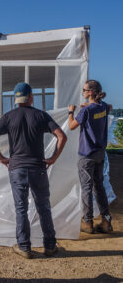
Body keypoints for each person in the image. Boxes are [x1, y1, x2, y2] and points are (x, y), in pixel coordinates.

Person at [0, 82, 67, 259]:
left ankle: (24, 247)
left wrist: (2, 159)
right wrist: (53, 158)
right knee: (44, 207)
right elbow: (62, 136)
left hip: (17, 168)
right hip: (37, 168)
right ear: (31, 97)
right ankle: (50, 246)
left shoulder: (8, 117)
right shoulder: (41, 116)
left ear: (16, 99)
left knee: (21, 208)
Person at [68, 79, 113, 234]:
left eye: (84, 90)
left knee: (87, 188)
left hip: (87, 155)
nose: (83, 92)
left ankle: (88, 223)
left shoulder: (86, 111)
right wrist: (89, 105)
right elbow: (109, 107)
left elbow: (71, 126)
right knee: (99, 187)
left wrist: (70, 112)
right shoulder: (103, 107)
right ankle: (106, 221)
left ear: (91, 92)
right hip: (100, 154)